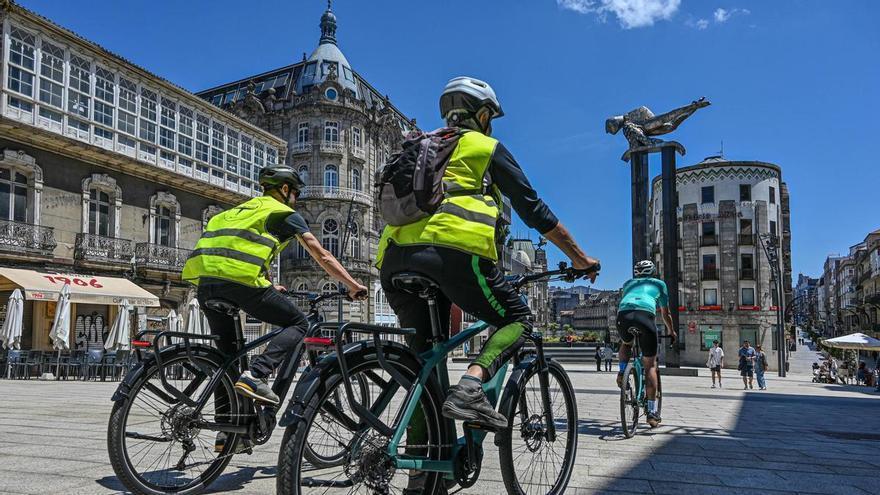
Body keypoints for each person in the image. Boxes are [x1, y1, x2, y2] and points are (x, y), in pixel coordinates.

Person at [376, 76, 600, 493]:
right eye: (490, 118)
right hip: (451, 253)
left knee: (425, 371)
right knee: (518, 317)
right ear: (482, 115)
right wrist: (580, 257)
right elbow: (533, 210)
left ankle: (423, 477)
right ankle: (475, 383)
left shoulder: (420, 147)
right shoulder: (483, 147)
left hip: (392, 259)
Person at [181, 166, 367, 450]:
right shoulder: (283, 213)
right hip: (239, 283)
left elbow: (239, 249)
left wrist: (269, 282)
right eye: (295, 192)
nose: (296, 197)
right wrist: (353, 285)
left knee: (227, 360)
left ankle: (229, 434)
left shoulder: (234, 212)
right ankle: (258, 373)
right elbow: (322, 254)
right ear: (284, 190)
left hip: (206, 284)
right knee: (299, 324)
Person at [615, 260, 676, 428]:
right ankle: (651, 413)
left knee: (626, 343)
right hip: (645, 317)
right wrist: (671, 331)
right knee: (649, 366)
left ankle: (622, 372)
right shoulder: (659, 284)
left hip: (623, 317)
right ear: (653, 271)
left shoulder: (628, 284)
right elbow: (666, 313)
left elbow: (628, 302)